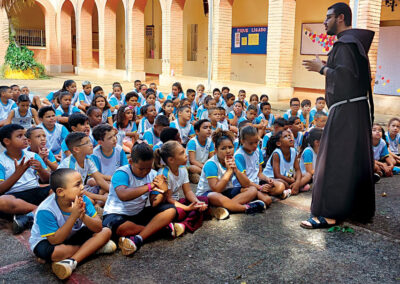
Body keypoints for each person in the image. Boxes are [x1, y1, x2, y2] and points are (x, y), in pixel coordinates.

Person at [302, 2, 375, 228]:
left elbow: (345, 80)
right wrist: (326, 65)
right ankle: (354, 209)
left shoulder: (345, 45)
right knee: (352, 161)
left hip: (346, 111)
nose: (324, 22)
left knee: (335, 161)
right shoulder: (352, 44)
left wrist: (321, 69)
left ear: (340, 18)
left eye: (328, 17)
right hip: (355, 110)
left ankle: (331, 214)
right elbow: (351, 76)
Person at [29, 169, 116, 280]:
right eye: (77, 185)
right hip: (48, 241)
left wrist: (83, 216)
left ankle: (71, 261)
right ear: (60, 192)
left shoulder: (83, 199)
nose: (82, 187)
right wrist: (74, 216)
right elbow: (55, 240)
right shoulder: (46, 210)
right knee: (56, 253)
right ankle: (94, 248)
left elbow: (98, 227)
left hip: (72, 235)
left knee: (106, 231)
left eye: (82, 183)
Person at [102, 143, 176, 256]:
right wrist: (150, 186)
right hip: (116, 214)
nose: (145, 171)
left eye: (149, 167)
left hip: (138, 214)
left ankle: (137, 238)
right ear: (131, 162)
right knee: (121, 228)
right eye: (141, 168)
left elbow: (154, 203)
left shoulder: (153, 174)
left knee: (170, 210)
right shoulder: (122, 173)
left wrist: (163, 190)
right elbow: (123, 195)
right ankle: (160, 231)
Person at [195, 129, 266, 220]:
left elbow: (246, 184)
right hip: (207, 195)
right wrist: (229, 172)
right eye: (223, 148)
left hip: (226, 192)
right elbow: (216, 189)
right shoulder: (211, 164)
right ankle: (246, 208)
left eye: (230, 147)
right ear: (216, 150)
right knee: (215, 196)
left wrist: (236, 170)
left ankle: (227, 208)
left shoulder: (234, 160)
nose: (228, 151)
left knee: (252, 189)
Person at [0, 124, 51, 234]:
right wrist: (18, 173)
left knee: (58, 188)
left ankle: (29, 215)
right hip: (15, 196)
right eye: (19, 136)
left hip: (35, 190)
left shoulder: (33, 155)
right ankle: (41, 211)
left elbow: (46, 180)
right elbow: (1, 189)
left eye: (24, 135)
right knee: (2, 201)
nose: (25, 138)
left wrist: (41, 169)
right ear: (7, 141)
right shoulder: (1, 160)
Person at [155, 141, 209, 237]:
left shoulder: (182, 169)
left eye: (184, 151)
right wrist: (187, 208)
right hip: (167, 206)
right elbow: (168, 199)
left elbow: (188, 191)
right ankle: (185, 224)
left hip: (177, 202)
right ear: (171, 160)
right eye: (182, 153)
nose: (186, 155)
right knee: (181, 212)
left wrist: (197, 202)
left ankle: (181, 225)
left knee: (204, 200)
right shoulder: (164, 173)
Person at [235, 126, 286, 206]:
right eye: (251, 143)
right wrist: (260, 187)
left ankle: (257, 196)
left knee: (280, 186)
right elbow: (245, 182)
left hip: (257, 183)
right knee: (267, 200)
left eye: (256, 142)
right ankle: (255, 198)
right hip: (246, 186)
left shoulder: (257, 151)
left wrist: (267, 179)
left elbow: (259, 173)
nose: (255, 145)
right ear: (242, 141)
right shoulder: (239, 156)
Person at [58, 132, 109, 204]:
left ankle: (98, 203)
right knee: (90, 202)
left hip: (81, 188)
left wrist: (114, 192)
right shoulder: (70, 165)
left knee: (106, 187)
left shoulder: (88, 159)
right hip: (68, 192)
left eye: (90, 142)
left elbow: (99, 179)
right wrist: (102, 198)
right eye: (87, 143)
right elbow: (77, 190)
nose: (91, 145)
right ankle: (98, 204)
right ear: (76, 149)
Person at [263, 130, 300, 198]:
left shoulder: (293, 151)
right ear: (279, 143)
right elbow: (277, 175)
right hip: (271, 179)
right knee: (280, 187)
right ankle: (285, 190)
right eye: (285, 137)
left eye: (289, 135)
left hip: (286, 177)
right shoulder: (276, 154)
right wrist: (291, 181)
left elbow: (298, 170)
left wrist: (297, 183)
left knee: (305, 175)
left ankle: (290, 189)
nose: (289, 138)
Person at [187, 119, 214, 184]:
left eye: (210, 127)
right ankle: (208, 175)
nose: (209, 129)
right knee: (192, 168)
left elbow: (211, 158)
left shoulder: (210, 142)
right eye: (205, 127)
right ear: (197, 131)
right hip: (194, 165)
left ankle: (205, 176)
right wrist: (205, 168)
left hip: (203, 165)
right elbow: (192, 161)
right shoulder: (193, 142)